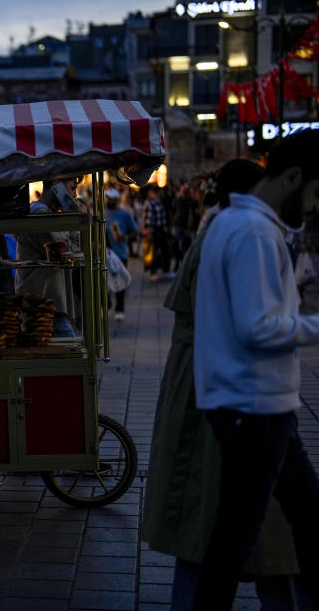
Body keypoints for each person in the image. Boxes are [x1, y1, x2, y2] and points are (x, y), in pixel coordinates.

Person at [142, 160, 304, 609]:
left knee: (223, 530)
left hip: (206, 391)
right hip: (232, 396)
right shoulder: (239, 235)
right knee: (258, 531)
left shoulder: (217, 230)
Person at [192, 131, 319, 609]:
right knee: (235, 539)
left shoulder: (234, 222)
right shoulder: (253, 232)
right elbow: (257, 327)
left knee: (301, 518)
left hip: (257, 404)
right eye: (313, 194)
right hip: (253, 406)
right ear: (292, 178)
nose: (312, 209)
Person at [15, 179, 85, 336]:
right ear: (56, 186)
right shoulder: (40, 214)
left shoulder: (48, 214)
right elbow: (67, 251)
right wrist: (77, 220)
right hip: (44, 306)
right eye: (72, 188)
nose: (75, 195)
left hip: (48, 304)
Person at [105, 189, 138, 321]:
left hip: (120, 253)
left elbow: (135, 231)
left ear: (117, 200)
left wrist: (124, 236)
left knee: (120, 281)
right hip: (104, 253)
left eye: (112, 199)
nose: (109, 201)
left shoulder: (125, 214)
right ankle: (107, 304)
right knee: (104, 282)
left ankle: (120, 309)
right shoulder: (101, 212)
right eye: (108, 198)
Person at [143, 185, 174, 282]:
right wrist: (149, 232)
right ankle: (153, 272)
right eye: (156, 191)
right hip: (155, 232)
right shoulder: (149, 203)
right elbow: (148, 219)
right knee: (154, 253)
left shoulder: (158, 202)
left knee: (165, 251)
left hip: (162, 231)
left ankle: (166, 270)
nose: (158, 193)